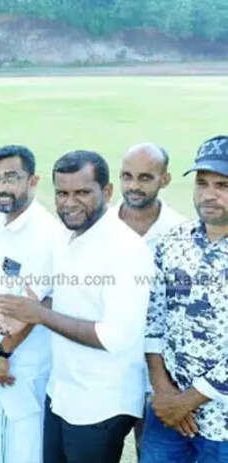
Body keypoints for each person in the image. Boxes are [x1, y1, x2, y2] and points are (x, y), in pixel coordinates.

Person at [0, 150, 153, 463]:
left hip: (101, 403)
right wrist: (27, 313)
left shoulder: (126, 250)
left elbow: (113, 337)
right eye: (62, 193)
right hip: (62, 391)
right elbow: (68, 298)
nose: (69, 203)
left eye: (82, 193)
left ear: (107, 192)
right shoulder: (67, 235)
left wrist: (40, 315)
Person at [0, 145, 61, 463]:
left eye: (11, 178)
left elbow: (35, 307)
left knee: (21, 444)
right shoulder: (4, 219)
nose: (1, 187)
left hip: (18, 362)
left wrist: (3, 353)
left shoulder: (43, 233)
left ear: (33, 181)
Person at [141, 135, 228, 463]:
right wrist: (164, 391)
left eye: (222, 185)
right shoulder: (173, 242)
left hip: (222, 426)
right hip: (168, 416)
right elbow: (153, 320)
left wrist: (188, 401)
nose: (209, 194)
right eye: (202, 183)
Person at [117, 142, 187, 456]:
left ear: (165, 179)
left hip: (157, 371)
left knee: (150, 450)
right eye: (127, 176)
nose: (134, 186)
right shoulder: (99, 224)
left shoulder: (181, 232)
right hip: (107, 367)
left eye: (145, 178)